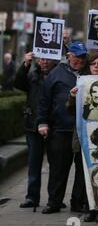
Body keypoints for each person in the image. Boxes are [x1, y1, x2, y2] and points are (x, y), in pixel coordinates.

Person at [37, 41, 88, 214]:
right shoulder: (56, 73)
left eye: (82, 57)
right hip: (61, 129)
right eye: (76, 56)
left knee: (82, 170)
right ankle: (54, 202)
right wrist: (42, 122)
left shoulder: (90, 72)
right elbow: (44, 100)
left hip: (84, 130)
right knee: (58, 168)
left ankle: (78, 202)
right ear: (69, 56)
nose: (79, 60)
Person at [67, 52, 98, 223]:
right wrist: (72, 97)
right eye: (93, 63)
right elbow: (70, 110)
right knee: (85, 175)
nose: (95, 66)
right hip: (84, 138)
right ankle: (89, 208)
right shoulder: (82, 83)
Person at [15, 52, 58, 209]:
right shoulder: (32, 75)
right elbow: (18, 83)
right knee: (34, 162)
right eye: (42, 59)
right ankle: (32, 197)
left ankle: (55, 198)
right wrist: (25, 64)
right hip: (33, 125)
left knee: (56, 164)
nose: (44, 62)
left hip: (54, 126)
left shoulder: (59, 75)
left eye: (48, 59)